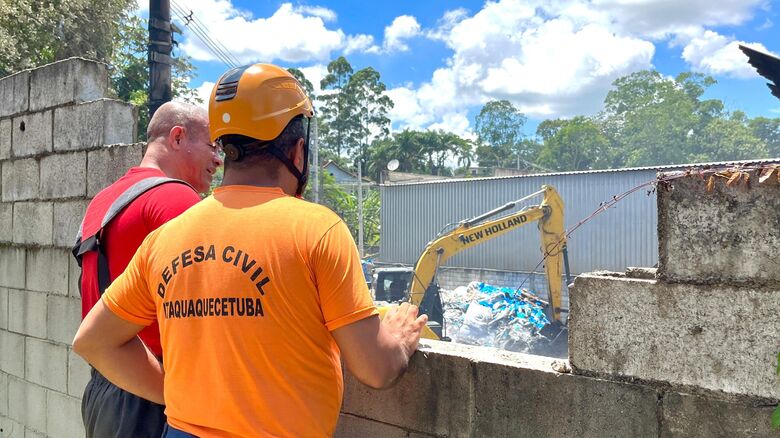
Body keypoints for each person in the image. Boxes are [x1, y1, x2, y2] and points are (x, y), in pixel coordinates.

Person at [73, 63, 427, 437]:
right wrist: (399, 340)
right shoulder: (318, 229)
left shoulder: (166, 238)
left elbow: (93, 341)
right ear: (298, 149)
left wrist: (177, 392)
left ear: (226, 147)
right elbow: (375, 369)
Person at [74, 101, 222, 438]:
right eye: (212, 146)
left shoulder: (104, 200)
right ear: (178, 137)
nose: (218, 159)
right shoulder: (175, 198)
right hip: (154, 395)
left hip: (104, 392)